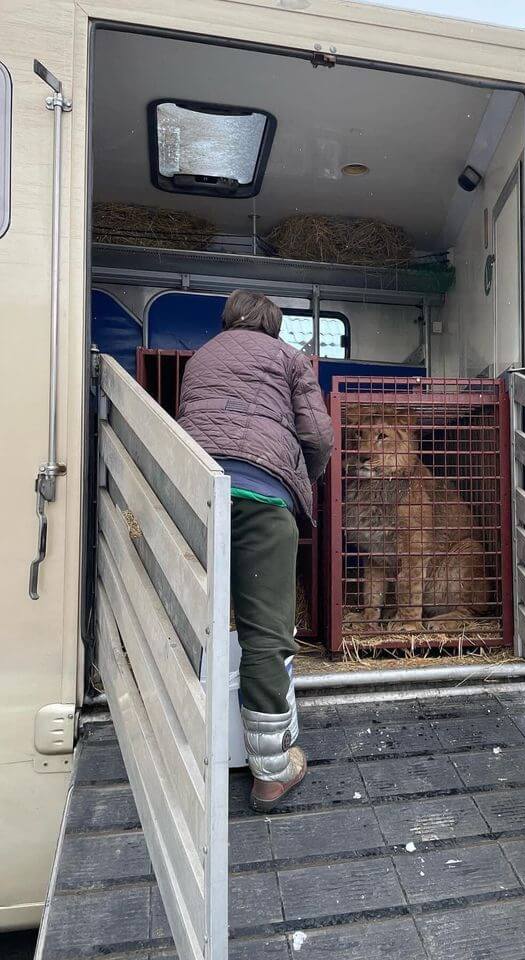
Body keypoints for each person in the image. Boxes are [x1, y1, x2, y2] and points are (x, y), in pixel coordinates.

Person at [178, 291, 333, 810]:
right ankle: (270, 772)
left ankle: (188, 741)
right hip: (262, 498)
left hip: (198, 496)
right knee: (266, 631)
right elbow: (318, 435)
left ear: (229, 321)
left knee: (198, 617)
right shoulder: (289, 358)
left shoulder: (200, 358)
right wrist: (302, 480)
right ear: (274, 325)